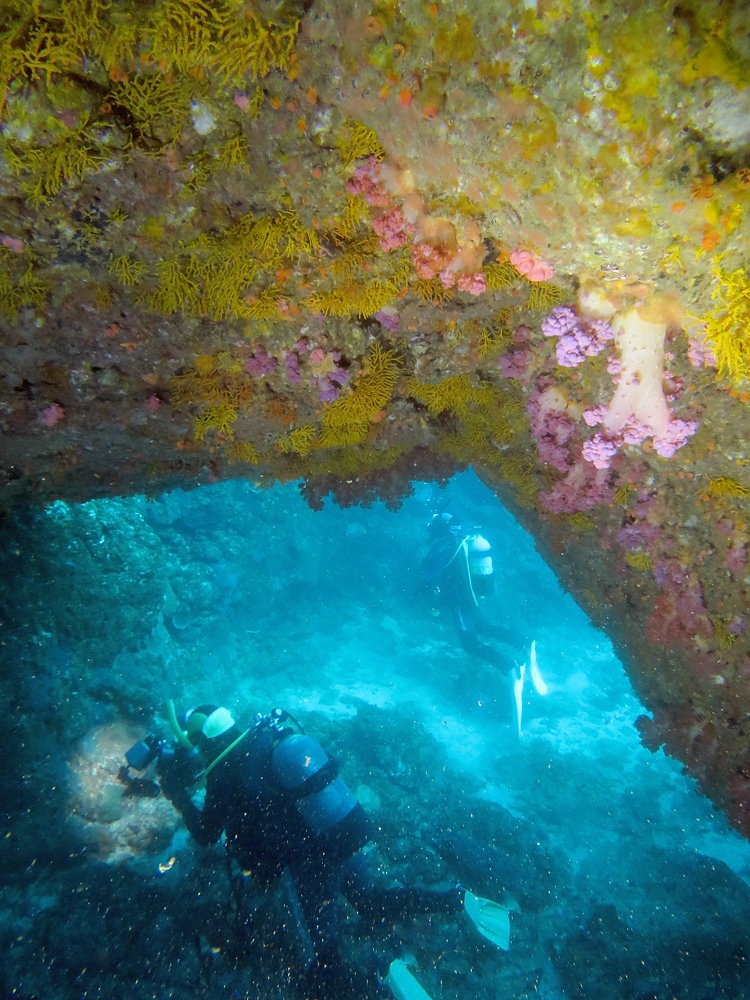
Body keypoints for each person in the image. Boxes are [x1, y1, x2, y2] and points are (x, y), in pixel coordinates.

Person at [157, 703, 472, 999]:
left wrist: (177, 794)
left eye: (191, 747)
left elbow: (205, 834)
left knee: (322, 962)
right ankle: (455, 899)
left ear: (203, 742)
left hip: (312, 865)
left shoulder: (224, 775)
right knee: (371, 901)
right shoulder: (265, 737)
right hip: (337, 834)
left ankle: (379, 983)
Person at [423, 513, 537, 731]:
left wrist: (433, 604)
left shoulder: (442, 548)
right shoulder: (462, 541)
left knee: (469, 643)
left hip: (458, 601)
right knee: (483, 627)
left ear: (437, 529)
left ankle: (510, 667)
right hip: (469, 597)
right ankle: (523, 641)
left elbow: (433, 580)